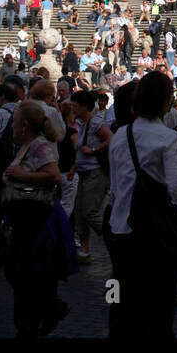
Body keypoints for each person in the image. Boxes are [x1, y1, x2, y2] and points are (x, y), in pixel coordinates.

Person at [107, 75, 177, 338]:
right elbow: (175, 188)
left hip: (120, 226)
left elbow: (116, 183)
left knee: (122, 298)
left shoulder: (120, 135)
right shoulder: (167, 138)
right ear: (165, 101)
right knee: (159, 303)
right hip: (154, 231)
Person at [2, 100, 67, 338]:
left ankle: (34, 319)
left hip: (34, 219)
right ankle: (45, 309)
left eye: (15, 121)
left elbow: (54, 176)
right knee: (17, 272)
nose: (12, 126)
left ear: (25, 125)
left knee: (26, 273)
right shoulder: (28, 145)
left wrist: (22, 174)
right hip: (22, 218)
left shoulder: (40, 146)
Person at [73, 90, 112, 264]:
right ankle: (84, 250)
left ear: (84, 107)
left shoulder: (95, 123)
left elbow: (110, 139)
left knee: (89, 211)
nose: (72, 108)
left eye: (75, 106)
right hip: (83, 173)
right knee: (80, 212)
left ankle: (112, 236)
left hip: (95, 173)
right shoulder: (83, 124)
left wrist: (94, 150)